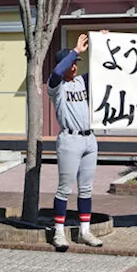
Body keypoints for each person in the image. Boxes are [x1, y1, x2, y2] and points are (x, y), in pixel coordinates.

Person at [48, 32, 103, 251]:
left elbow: (101, 70)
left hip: (89, 138)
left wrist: (102, 44)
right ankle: (59, 233)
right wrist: (74, 52)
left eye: (76, 63)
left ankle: (84, 231)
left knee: (87, 189)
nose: (74, 67)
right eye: (72, 63)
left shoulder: (81, 81)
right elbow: (56, 72)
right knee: (64, 189)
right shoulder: (57, 87)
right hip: (69, 139)